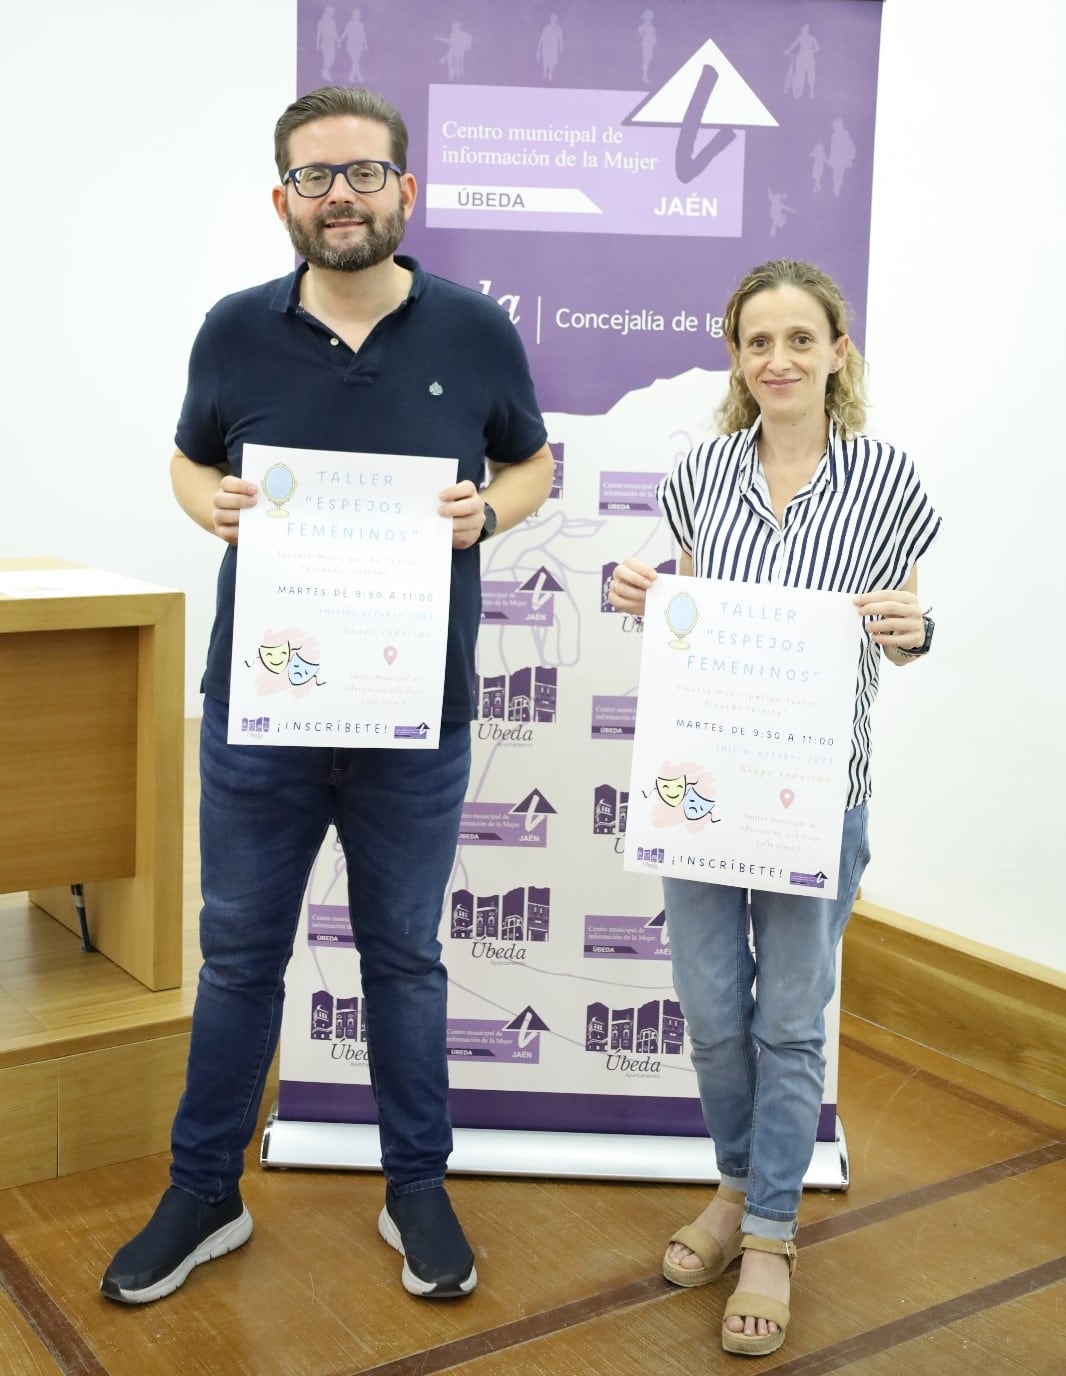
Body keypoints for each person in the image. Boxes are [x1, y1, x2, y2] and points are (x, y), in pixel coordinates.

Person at [101, 85, 553, 1306]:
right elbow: (190, 455)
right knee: (241, 957)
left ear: (406, 188)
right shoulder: (232, 330)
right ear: (282, 199)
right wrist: (206, 501)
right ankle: (206, 1190)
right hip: (263, 713)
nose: (338, 195)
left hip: (415, 714)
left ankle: (416, 1186)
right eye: (314, 176)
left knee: (404, 956)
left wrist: (487, 511)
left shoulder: (475, 329)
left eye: (361, 173)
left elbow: (531, 461)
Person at [609, 259, 940, 1357]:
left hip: (818, 795)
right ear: (736, 356)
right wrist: (644, 597)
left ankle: (766, 1232)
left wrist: (915, 633)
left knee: (789, 1020)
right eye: (759, 340)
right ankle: (736, 1182)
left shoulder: (886, 479)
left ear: (838, 351)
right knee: (712, 1010)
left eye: (801, 338)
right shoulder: (702, 471)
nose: (779, 359)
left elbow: (901, 624)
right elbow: (689, 611)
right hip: (704, 789)